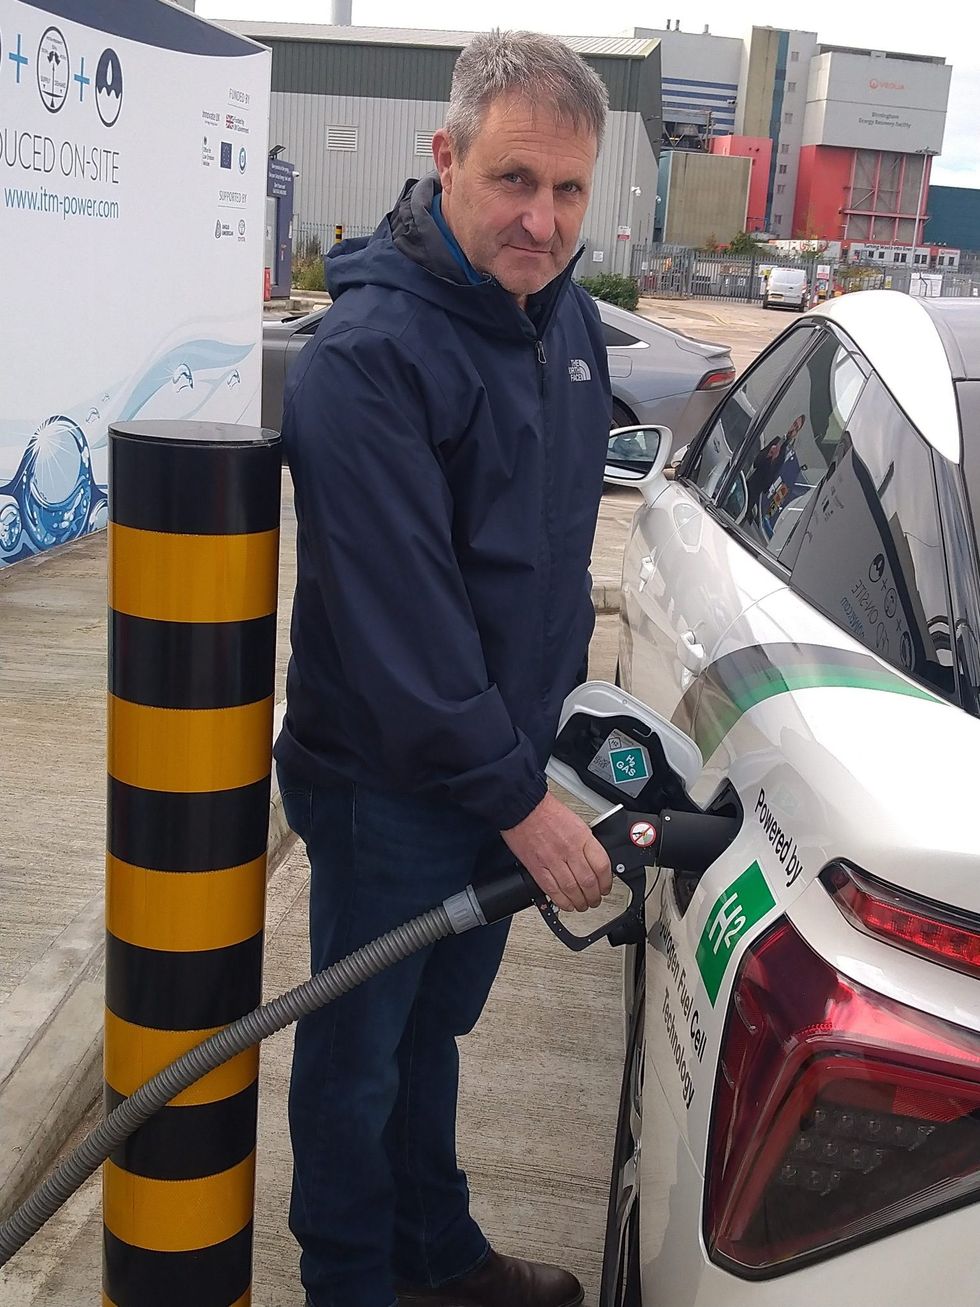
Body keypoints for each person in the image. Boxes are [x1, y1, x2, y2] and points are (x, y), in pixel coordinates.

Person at [274, 30, 615, 1307]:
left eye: (568, 190)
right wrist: (523, 805)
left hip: (499, 768)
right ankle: (350, 1281)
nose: (541, 220)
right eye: (514, 179)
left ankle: (432, 1251)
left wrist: (545, 750)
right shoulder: (368, 358)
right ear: (445, 157)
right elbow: (404, 635)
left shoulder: (563, 322)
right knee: (358, 1053)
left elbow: (552, 559)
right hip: (388, 786)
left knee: (436, 1028)